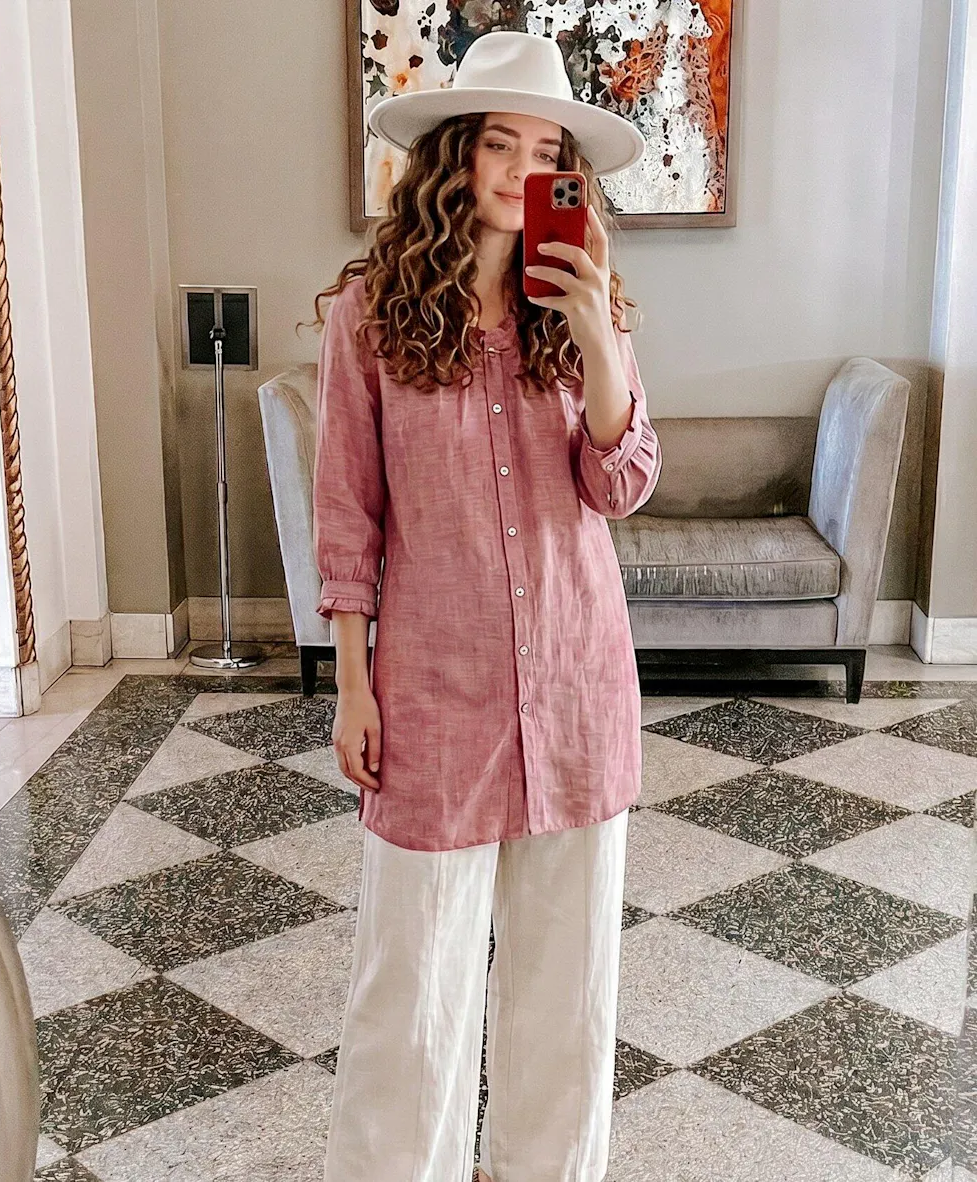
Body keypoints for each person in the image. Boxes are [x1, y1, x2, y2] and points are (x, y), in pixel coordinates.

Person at [304, 29, 663, 1182]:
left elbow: (620, 486)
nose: (521, 169)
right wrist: (352, 688)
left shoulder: (587, 305)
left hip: (576, 688)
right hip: (433, 695)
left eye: (546, 150)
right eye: (499, 143)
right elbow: (348, 518)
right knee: (410, 990)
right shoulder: (368, 316)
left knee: (566, 996)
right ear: (452, 154)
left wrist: (598, 344)